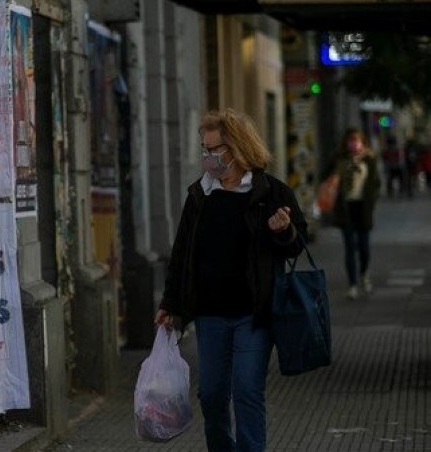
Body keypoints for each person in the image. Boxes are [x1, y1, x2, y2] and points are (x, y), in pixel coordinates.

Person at [154, 109, 308, 452]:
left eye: (215, 151)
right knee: (211, 395)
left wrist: (284, 232)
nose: (208, 158)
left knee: (247, 389)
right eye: (204, 150)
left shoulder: (271, 193)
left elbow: (297, 246)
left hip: (253, 313)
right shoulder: (200, 196)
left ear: (237, 148)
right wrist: (170, 303)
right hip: (209, 314)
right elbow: (182, 254)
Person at [327, 128, 381, 299]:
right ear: (346, 143)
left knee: (364, 247)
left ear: (362, 142)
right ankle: (352, 285)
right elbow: (326, 176)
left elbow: (376, 183)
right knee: (350, 247)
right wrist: (334, 177)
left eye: (356, 140)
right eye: (350, 140)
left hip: (363, 209)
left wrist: (372, 201)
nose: (353, 143)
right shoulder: (339, 159)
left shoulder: (370, 159)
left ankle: (364, 272)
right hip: (346, 208)